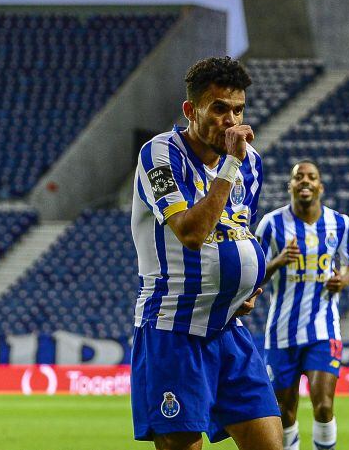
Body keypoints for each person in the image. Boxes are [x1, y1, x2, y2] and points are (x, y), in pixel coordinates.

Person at [130, 56, 282, 450]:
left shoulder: (252, 165)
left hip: (227, 328)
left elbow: (236, 232)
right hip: (173, 329)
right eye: (219, 108)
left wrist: (241, 290)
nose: (231, 121)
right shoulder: (160, 155)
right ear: (190, 110)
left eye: (238, 110)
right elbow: (193, 233)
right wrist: (230, 164)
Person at [255, 161, 349, 450]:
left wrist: (344, 280)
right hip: (281, 333)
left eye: (311, 177)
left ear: (320, 186)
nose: (305, 181)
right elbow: (252, 272)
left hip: (323, 329)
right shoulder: (271, 224)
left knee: (324, 406)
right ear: (290, 185)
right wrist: (278, 261)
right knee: (285, 414)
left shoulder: (340, 223)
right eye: (298, 177)